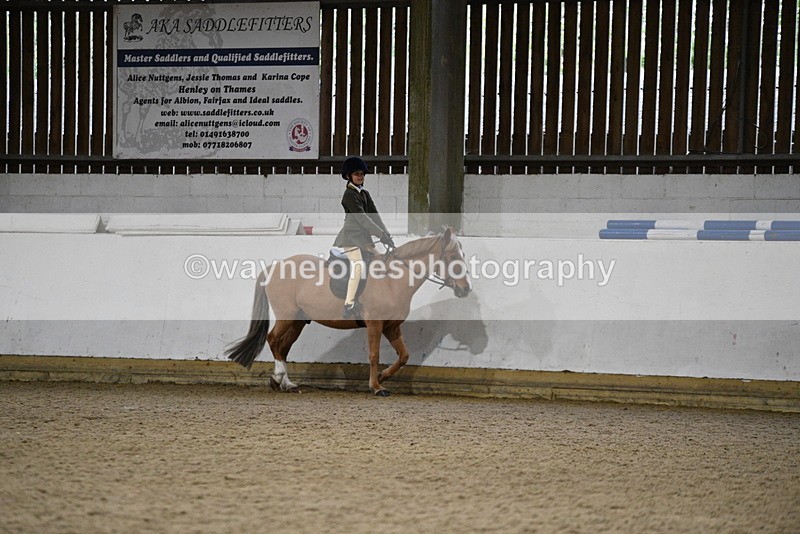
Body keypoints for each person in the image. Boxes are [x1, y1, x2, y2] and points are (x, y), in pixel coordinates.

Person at [333, 156, 395, 319]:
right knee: (358, 265)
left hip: (364, 239)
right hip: (351, 238)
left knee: (381, 260)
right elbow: (362, 218)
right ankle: (349, 303)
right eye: (356, 174)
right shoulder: (349, 195)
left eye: (362, 174)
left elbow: (374, 215)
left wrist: (387, 234)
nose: (360, 177)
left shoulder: (365, 194)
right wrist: (380, 235)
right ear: (349, 176)